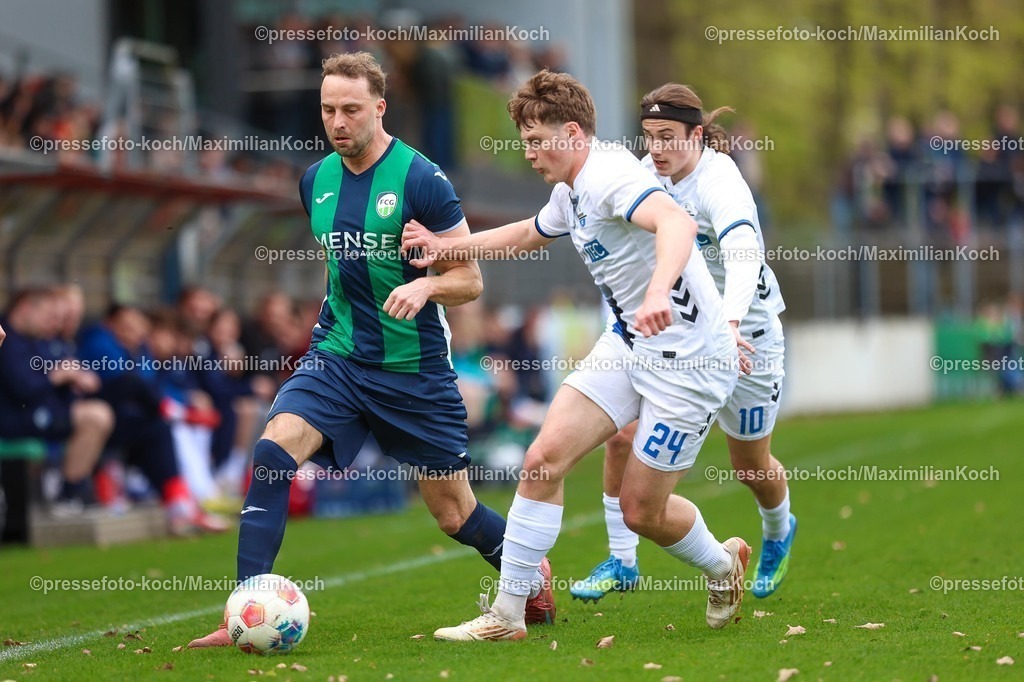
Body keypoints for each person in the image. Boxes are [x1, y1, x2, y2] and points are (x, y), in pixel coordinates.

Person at [188, 51, 554, 649]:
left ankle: (529, 572)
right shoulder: (314, 181)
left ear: (380, 108)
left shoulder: (422, 180)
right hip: (338, 356)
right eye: (328, 109)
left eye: (351, 109)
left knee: (453, 513)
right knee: (273, 452)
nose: (338, 121)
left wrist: (427, 285)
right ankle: (243, 612)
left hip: (414, 369)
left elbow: (470, 280)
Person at [403, 69, 750, 641]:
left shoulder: (610, 175)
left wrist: (658, 291)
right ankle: (508, 615)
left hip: (690, 364)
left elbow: (677, 222)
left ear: (571, 133)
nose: (529, 153)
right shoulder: (571, 190)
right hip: (629, 344)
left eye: (537, 141)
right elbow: (526, 235)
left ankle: (721, 562)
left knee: (642, 512)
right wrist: (447, 245)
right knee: (543, 459)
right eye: (524, 141)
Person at [570, 84, 796, 605]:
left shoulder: (720, 181)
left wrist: (731, 322)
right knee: (621, 436)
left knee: (750, 466)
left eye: (668, 136)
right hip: (674, 337)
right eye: (649, 136)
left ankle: (779, 528)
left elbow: (743, 253)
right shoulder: (644, 177)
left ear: (697, 135)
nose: (657, 149)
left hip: (747, 338)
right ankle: (623, 560)